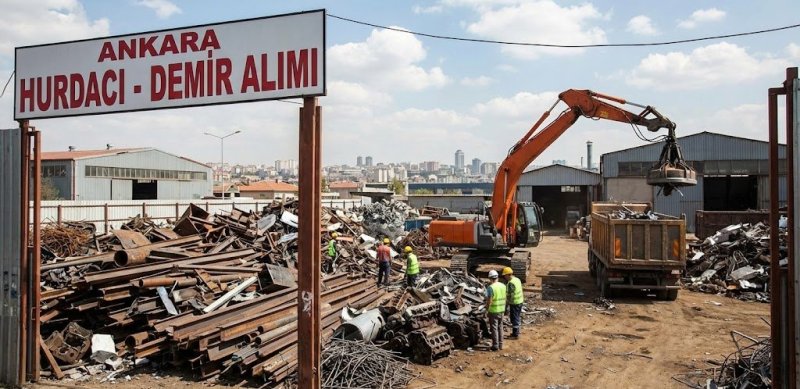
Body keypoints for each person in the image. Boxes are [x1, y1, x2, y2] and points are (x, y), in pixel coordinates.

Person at [485, 270, 506, 351]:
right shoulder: (503, 285)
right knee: (500, 327)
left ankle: (495, 346)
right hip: (501, 310)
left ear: (490, 278)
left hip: (494, 311)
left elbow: (489, 301)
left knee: (494, 328)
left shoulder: (490, 288)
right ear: (497, 277)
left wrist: (486, 310)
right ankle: (501, 345)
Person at [502, 266, 524, 339]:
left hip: (515, 303)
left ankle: (515, 334)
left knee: (514, 318)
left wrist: (506, 306)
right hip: (520, 301)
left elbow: (509, 296)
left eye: (505, 275)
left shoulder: (511, 283)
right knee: (516, 317)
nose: (504, 277)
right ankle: (516, 331)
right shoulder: (517, 279)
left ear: (508, 274)